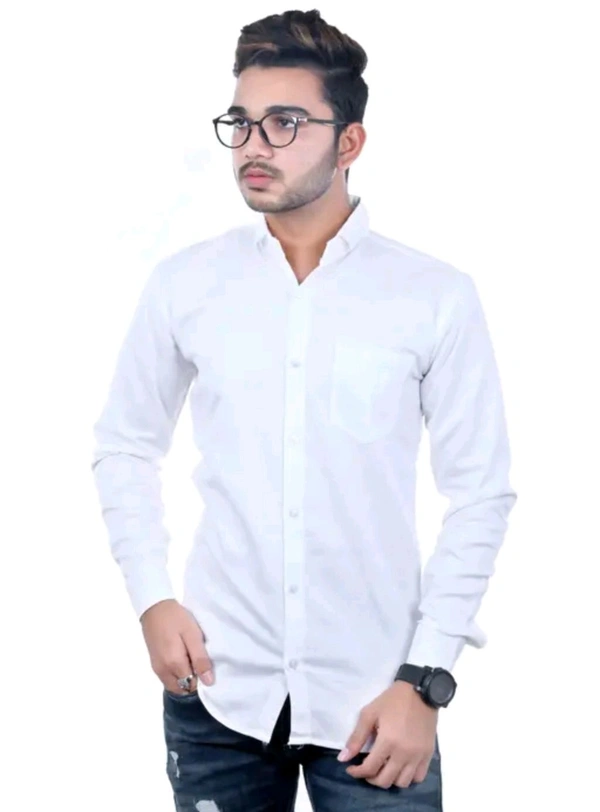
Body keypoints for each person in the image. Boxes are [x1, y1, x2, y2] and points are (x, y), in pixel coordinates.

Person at [91, 8, 517, 811]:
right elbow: (125, 445)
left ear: (349, 142)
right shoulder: (187, 284)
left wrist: (424, 680)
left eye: (285, 123)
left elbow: (480, 494)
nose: (254, 146)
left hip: (378, 704)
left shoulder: (434, 297)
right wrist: (151, 597)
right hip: (217, 691)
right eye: (242, 122)